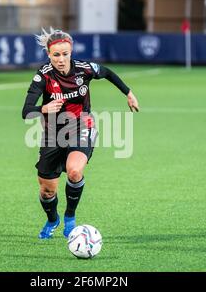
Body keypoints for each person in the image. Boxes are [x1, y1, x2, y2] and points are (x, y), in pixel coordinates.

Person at [22, 28, 140, 239]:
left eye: (65, 54)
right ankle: (52, 220)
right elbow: (26, 111)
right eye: (56, 55)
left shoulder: (83, 69)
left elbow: (108, 73)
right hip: (52, 135)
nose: (61, 59)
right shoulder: (44, 75)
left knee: (75, 171)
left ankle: (69, 217)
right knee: (47, 191)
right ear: (49, 55)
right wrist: (44, 109)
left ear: (71, 52)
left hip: (82, 127)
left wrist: (128, 93)